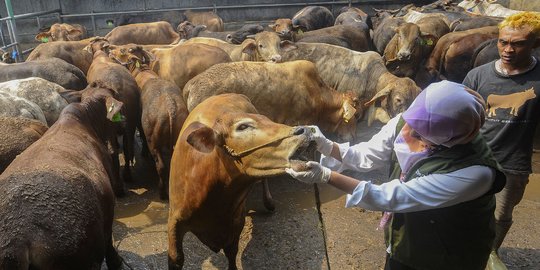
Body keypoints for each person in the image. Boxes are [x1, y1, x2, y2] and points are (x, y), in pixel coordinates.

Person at [286, 80, 506, 270]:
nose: (408, 133)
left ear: (449, 138)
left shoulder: (475, 173)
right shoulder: (409, 121)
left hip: (451, 250)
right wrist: (325, 144)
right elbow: (366, 155)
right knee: (400, 255)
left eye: (420, 134)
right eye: (410, 123)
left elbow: (389, 197)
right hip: (410, 233)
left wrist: (326, 175)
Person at [462, 11, 540, 267]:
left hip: (513, 161)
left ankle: (490, 252)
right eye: (503, 42)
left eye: (517, 44)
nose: (508, 49)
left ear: (534, 44)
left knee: (502, 214)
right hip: (474, 158)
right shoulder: (479, 75)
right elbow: (461, 115)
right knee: (463, 208)